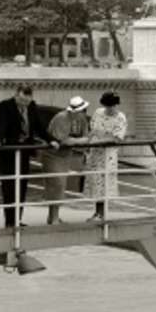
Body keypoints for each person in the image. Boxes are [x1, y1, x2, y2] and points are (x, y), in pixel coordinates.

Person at [0, 84, 52, 229]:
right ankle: (10, 221)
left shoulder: (32, 106)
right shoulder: (5, 106)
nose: (25, 104)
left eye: (28, 101)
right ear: (17, 95)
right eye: (23, 101)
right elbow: (1, 125)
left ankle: (18, 219)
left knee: (22, 185)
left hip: (24, 151)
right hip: (10, 152)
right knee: (10, 186)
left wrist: (52, 140)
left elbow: (39, 127)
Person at [42, 96, 91, 224]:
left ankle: (53, 216)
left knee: (61, 185)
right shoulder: (61, 118)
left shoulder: (83, 120)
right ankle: (53, 218)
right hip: (52, 155)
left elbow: (86, 137)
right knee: (56, 183)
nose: (84, 113)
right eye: (82, 110)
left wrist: (74, 140)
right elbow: (63, 140)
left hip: (65, 155)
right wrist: (78, 141)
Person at [84, 91, 128, 221]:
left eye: (114, 106)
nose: (111, 108)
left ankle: (101, 214)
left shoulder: (120, 117)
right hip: (95, 154)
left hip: (108, 155)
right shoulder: (98, 112)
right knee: (95, 184)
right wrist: (88, 144)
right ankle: (97, 212)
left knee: (104, 184)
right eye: (109, 106)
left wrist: (99, 139)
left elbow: (116, 138)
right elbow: (92, 131)